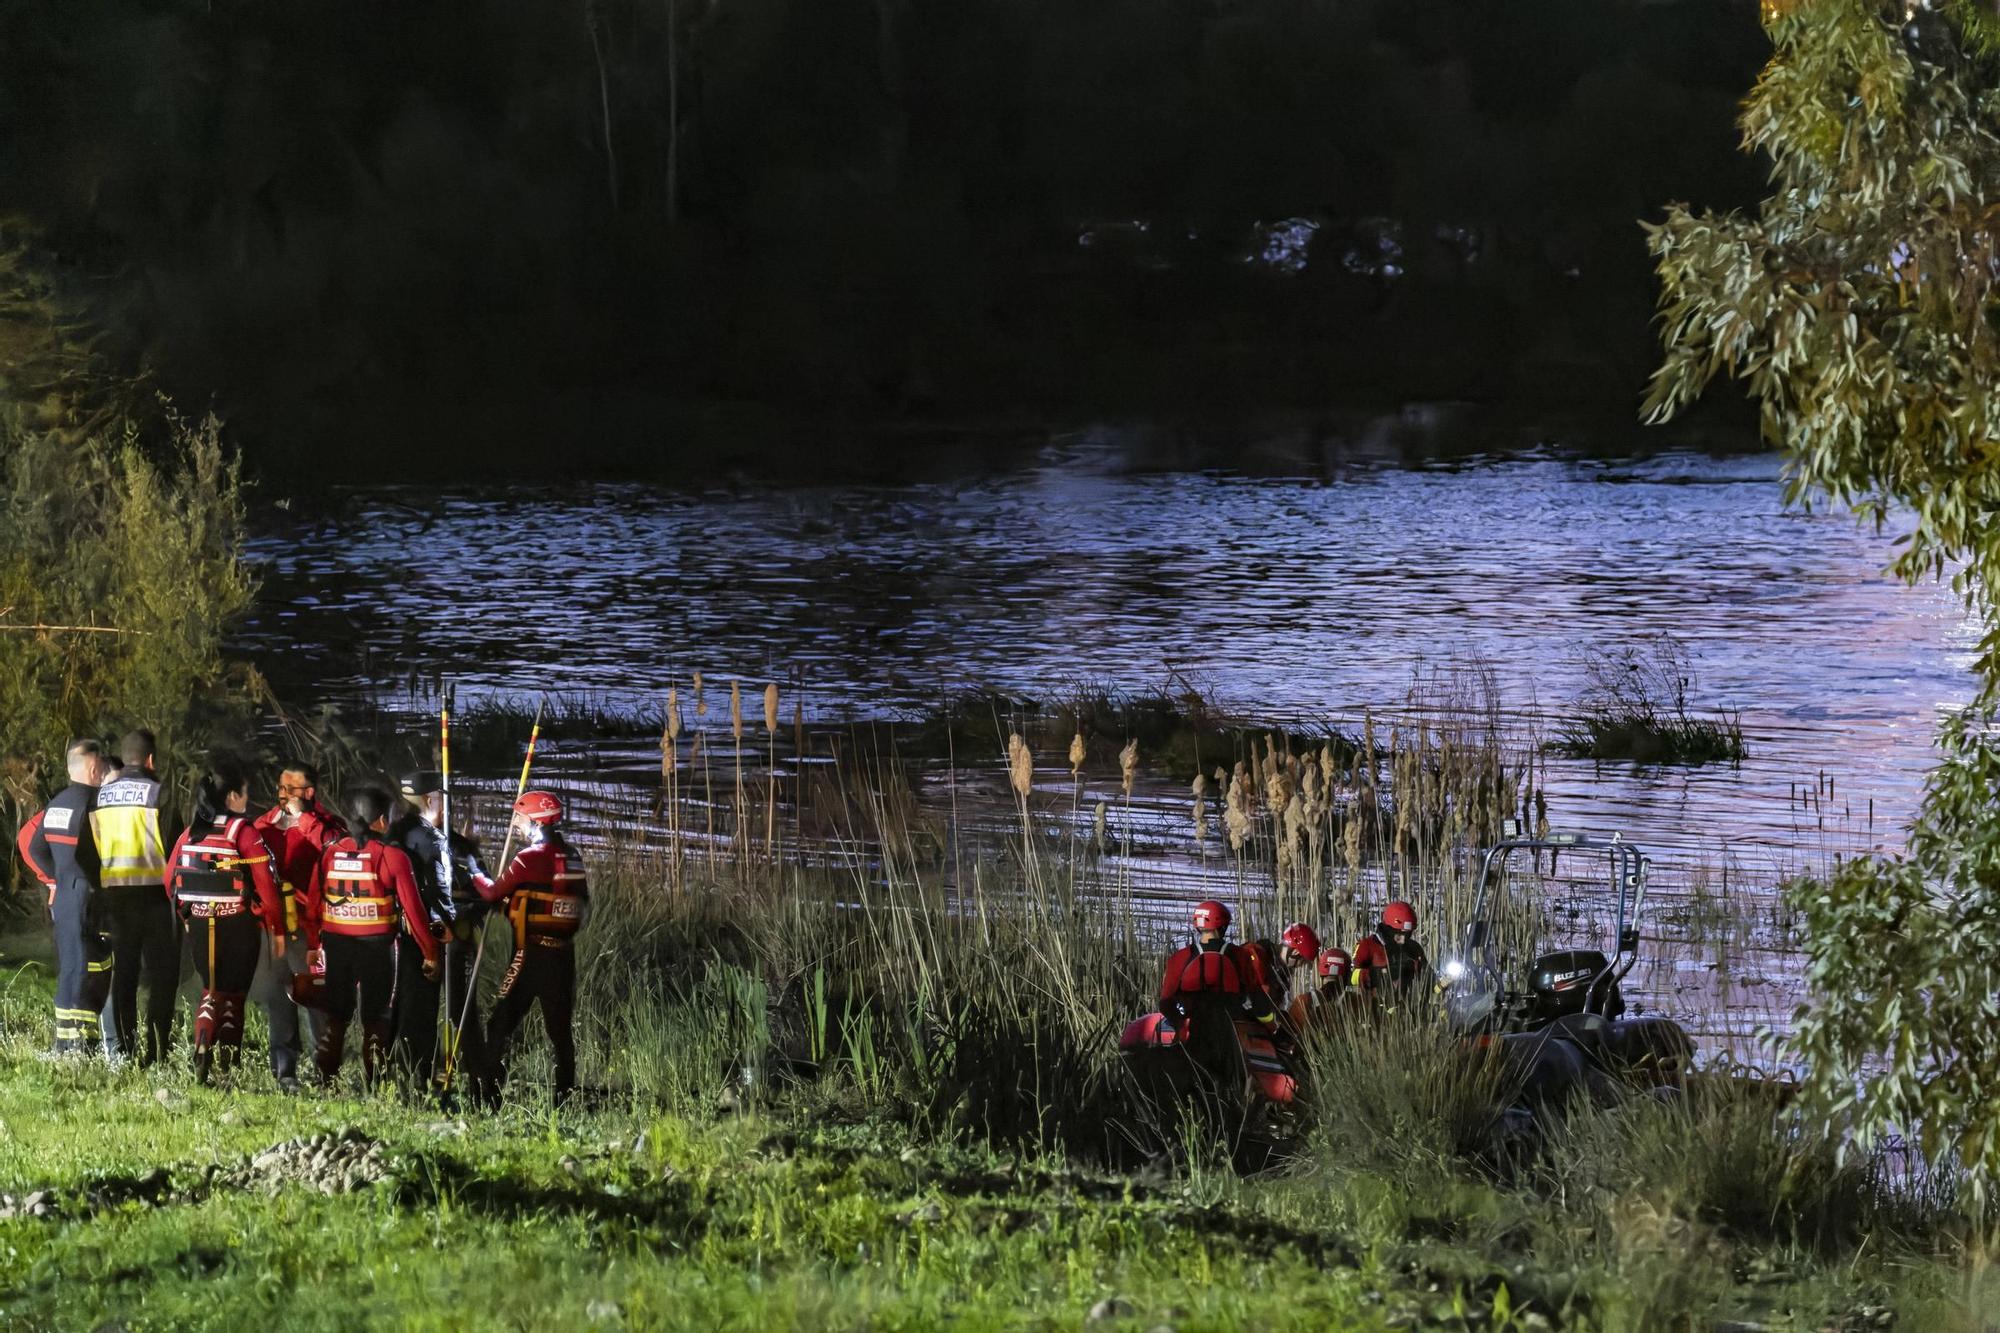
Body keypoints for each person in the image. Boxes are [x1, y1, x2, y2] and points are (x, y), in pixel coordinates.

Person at [305, 787, 436, 1090]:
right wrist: (430, 952)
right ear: (380, 820)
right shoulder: (392, 857)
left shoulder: (329, 852)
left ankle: (324, 1082)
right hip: (378, 949)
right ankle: (376, 1087)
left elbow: (313, 903)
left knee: (336, 1018)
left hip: (336, 947)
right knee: (376, 1019)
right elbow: (414, 911)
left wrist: (313, 944)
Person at [163, 764, 284, 1084]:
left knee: (210, 989)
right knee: (235, 994)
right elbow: (267, 887)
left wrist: (188, 917)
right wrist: (276, 927)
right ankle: (228, 1063)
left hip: (201, 925)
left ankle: (202, 1044)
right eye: (245, 792)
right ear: (232, 796)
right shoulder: (243, 832)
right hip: (238, 926)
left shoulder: (191, 832)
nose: (247, 799)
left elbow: (169, 882)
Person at [476, 791, 589, 1103]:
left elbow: (490, 892)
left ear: (537, 822)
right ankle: (563, 1099)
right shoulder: (574, 856)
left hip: (529, 955)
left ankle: (489, 1097)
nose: (517, 825)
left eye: (520, 818)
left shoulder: (529, 858)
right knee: (560, 1034)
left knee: (499, 1023)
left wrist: (473, 871)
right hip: (563, 957)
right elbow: (581, 903)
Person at [388, 771, 493, 1094]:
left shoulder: (394, 840)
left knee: (428, 1010)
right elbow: (485, 894)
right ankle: (473, 1084)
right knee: (442, 1012)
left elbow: (482, 896)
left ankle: (417, 1078)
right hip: (427, 938)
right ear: (431, 800)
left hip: (430, 938)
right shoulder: (421, 844)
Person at [251, 762, 347, 1090]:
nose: (284, 794)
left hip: (313, 929)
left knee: (317, 999)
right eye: (281, 787)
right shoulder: (263, 825)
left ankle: (326, 1073)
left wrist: (304, 820)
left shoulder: (329, 825)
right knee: (279, 997)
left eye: (292, 789)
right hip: (275, 927)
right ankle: (285, 1070)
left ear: (309, 793)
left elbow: (337, 849)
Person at [90, 729, 180, 1065]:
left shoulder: (100, 796)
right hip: (156, 898)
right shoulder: (159, 792)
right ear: (151, 759)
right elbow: (175, 848)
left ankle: (124, 1050)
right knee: (162, 977)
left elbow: (94, 847)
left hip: (116, 898)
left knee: (124, 975)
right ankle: (156, 1052)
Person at [23, 740, 114, 1055]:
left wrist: (57, 877)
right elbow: (102, 854)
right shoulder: (95, 805)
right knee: (92, 968)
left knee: (71, 966)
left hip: (63, 897)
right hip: (88, 898)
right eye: (102, 767)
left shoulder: (57, 803)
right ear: (93, 768)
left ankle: (64, 1043)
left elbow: (35, 848)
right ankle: (83, 1045)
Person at [1157, 899, 1278, 1039]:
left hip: (1194, 1029)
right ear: (1223, 926)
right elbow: (1258, 999)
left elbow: (1165, 1002)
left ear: (1197, 926)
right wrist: (1269, 1026)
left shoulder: (1179, 958)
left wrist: (1180, 1021)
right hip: (1230, 1029)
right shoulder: (1241, 956)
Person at [1350, 900, 1431, 1006]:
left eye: (1407, 935)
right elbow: (1352, 977)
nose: (1403, 940)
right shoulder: (1367, 946)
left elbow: (1427, 975)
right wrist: (1381, 974)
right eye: (1400, 935)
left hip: (1405, 1010)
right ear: (1388, 930)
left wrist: (1440, 984)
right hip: (1373, 1009)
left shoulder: (1414, 948)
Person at [1288, 946, 1357, 1034]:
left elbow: (1287, 1039)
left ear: (1321, 973)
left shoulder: (1302, 1002)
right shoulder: (1356, 1002)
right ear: (1348, 975)